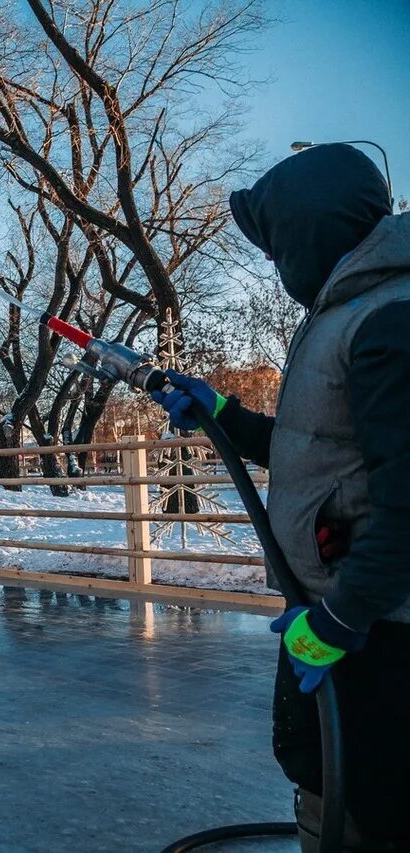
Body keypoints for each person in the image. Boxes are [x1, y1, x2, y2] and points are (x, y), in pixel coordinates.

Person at [153, 143, 409, 850]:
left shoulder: (386, 320)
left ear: (314, 233)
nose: (272, 263)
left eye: (278, 244)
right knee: (327, 777)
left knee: (371, 800)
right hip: (344, 615)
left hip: (380, 638)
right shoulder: (348, 311)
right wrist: (221, 413)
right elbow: (316, 447)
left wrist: (340, 618)